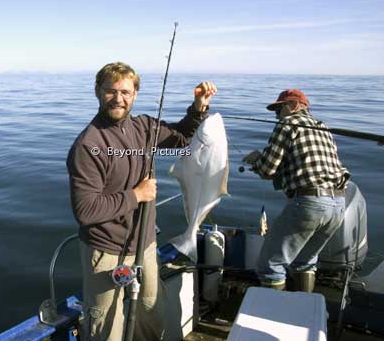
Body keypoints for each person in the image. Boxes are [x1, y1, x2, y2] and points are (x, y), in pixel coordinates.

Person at [67, 62, 216, 340]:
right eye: (110, 91)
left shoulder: (144, 127)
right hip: (105, 250)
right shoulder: (88, 145)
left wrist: (198, 108)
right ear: (98, 92)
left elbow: (182, 138)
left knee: (152, 312)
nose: (118, 98)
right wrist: (136, 195)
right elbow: (85, 211)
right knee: (107, 327)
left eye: (125, 91)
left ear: (135, 94)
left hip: (145, 243)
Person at [243, 89, 350, 292]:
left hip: (310, 203)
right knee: (305, 262)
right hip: (338, 204)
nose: (276, 115)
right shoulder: (323, 127)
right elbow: (307, 162)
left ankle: (272, 318)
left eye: (279, 108)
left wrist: (256, 159)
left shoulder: (287, 123)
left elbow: (268, 169)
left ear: (293, 106)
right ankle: (302, 311)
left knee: (270, 266)